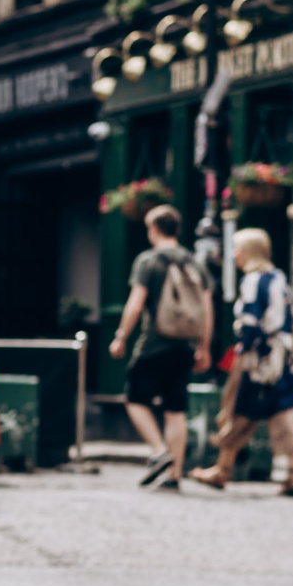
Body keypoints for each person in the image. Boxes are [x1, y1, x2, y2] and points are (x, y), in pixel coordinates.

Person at [191, 227, 293, 496]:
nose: (234, 255)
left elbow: (251, 322)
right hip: (284, 359)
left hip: (258, 360)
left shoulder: (253, 281)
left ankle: (223, 469)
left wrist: (244, 349)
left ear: (247, 252)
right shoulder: (279, 279)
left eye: (236, 249)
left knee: (238, 410)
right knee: (287, 412)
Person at [109, 204, 212, 490]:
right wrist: (203, 346)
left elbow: (136, 302)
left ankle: (158, 451)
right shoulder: (195, 262)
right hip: (185, 346)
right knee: (175, 409)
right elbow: (207, 308)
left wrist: (121, 336)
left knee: (135, 399)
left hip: (154, 344)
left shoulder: (148, 261)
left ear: (154, 229)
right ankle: (175, 474)